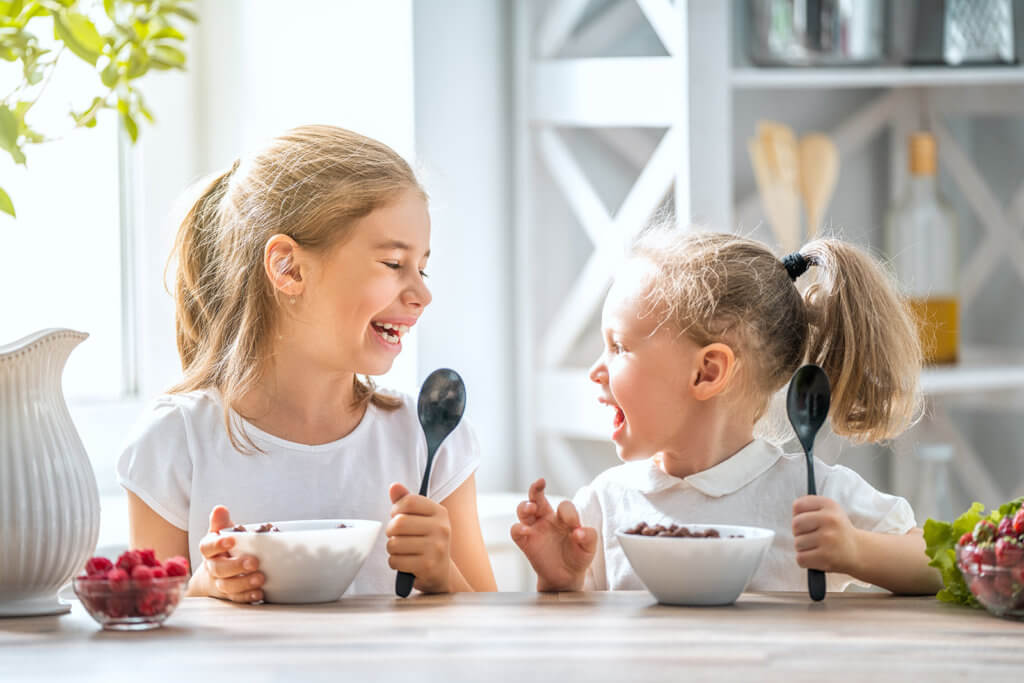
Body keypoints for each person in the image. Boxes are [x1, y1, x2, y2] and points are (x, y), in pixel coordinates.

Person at [118, 125, 496, 601]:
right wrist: (203, 589)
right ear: (289, 268)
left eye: (422, 267)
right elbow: (151, 642)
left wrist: (445, 578)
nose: (422, 293)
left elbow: (489, 628)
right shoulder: (175, 443)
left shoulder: (430, 439)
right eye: (394, 264)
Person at [511, 226, 943, 595]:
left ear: (707, 372)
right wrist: (562, 583)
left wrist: (856, 551)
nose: (594, 371)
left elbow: (939, 564)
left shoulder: (810, 494)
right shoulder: (601, 509)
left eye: (619, 347)